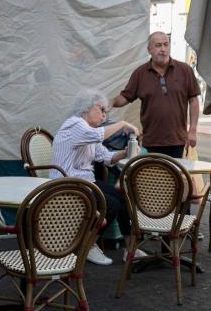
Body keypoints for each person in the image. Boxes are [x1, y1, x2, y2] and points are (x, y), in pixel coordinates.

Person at [50, 89, 145, 266]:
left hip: (85, 182)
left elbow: (107, 157)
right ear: (87, 108)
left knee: (123, 195)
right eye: (101, 110)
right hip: (68, 183)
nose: (103, 116)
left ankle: (130, 249)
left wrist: (125, 152)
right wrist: (123, 123)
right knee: (110, 204)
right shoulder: (75, 124)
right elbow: (96, 136)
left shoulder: (88, 130)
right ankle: (88, 245)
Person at [109, 31, 200, 158]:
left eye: (166, 45)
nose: (163, 49)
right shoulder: (140, 73)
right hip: (151, 141)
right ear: (149, 49)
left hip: (177, 141)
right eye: (158, 45)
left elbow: (194, 101)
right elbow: (125, 97)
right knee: (153, 177)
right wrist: (111, 103)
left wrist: (193, 130)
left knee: (175, 177)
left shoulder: (185, 70)